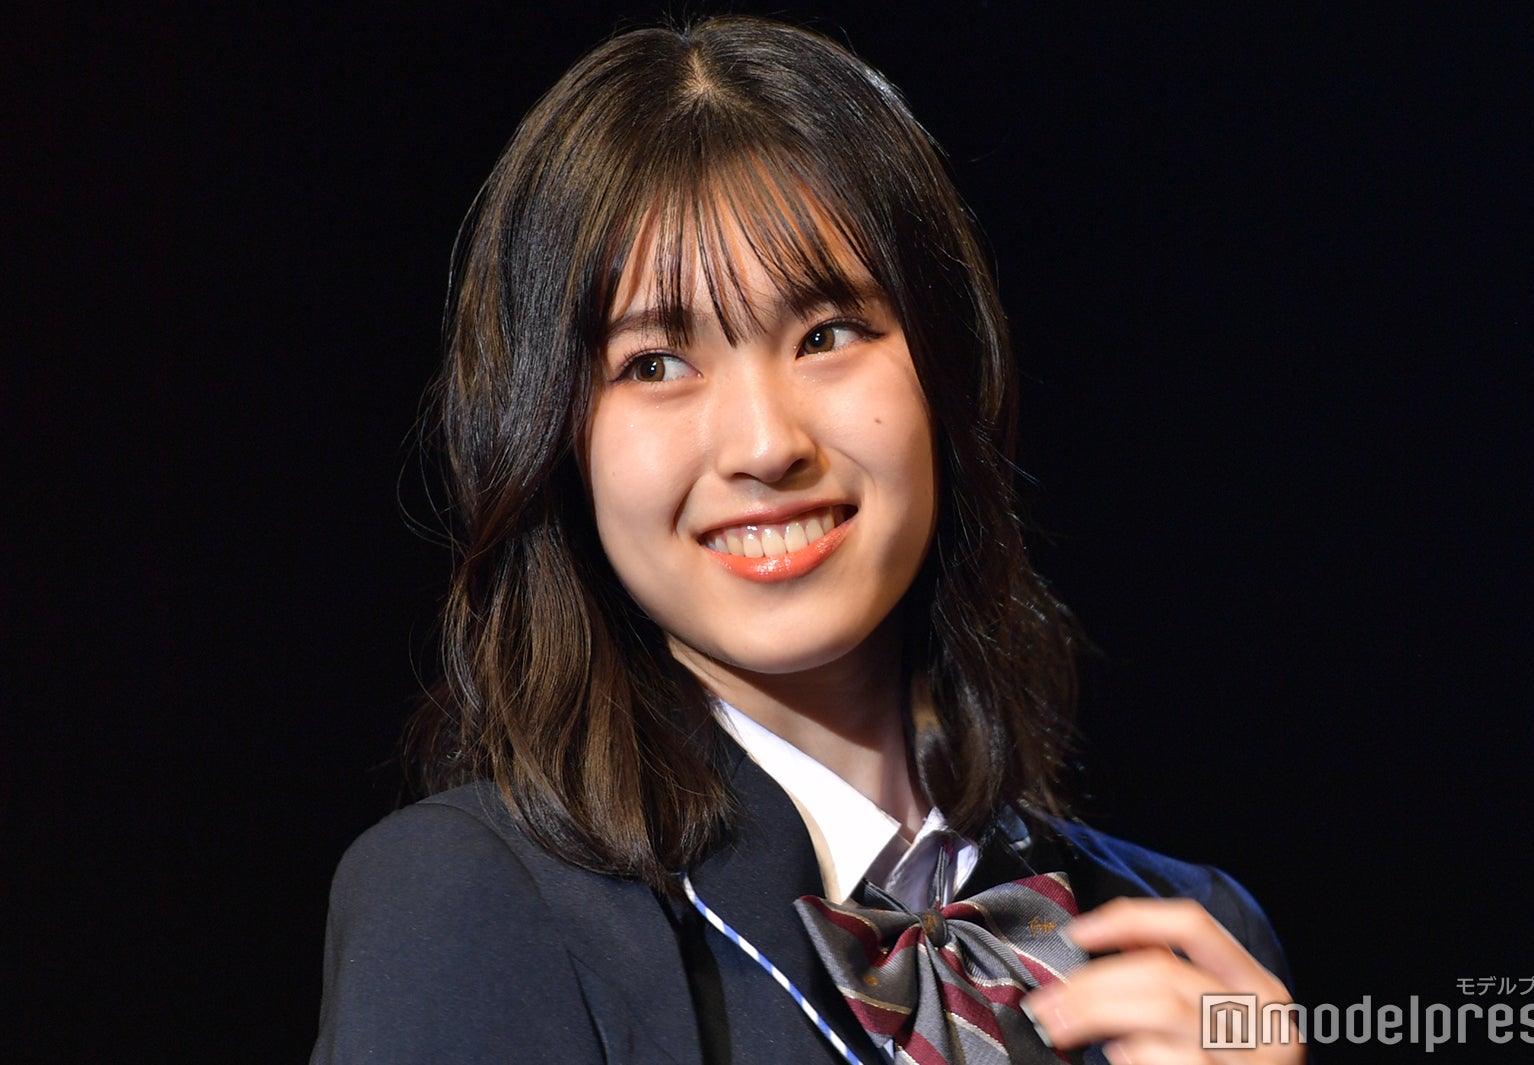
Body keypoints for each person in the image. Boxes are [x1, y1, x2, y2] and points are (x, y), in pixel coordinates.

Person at [312, 15, 1301, 1065]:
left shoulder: (1192, 938)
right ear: (554, 441)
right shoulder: (470, 902)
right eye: (655, 363)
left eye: (827, 334)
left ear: (947, 370)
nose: (766, 444)